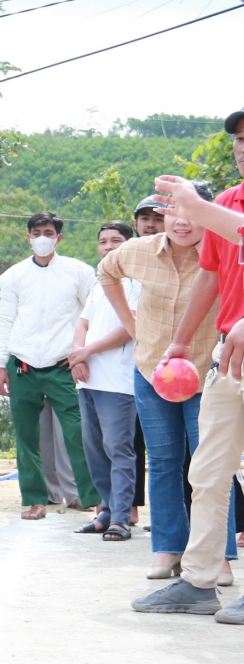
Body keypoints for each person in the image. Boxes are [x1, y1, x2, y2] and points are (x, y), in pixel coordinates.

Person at [131, 131, 244, 623]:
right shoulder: (226, 203)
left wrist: (197, 208)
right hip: (228, 357)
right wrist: (180, 340)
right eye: (239, 138)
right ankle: (198, 582)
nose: (242, 146)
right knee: (208, 471)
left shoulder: (213, 211)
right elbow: (211, 274)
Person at [100, 180, 234, 586]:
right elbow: (106, 272)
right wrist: (131, 324)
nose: (182, 222)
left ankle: (217, 555)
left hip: (207, 373)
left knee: (211, 464)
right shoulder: (139, 250)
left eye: (192, 212)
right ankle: (168, 546)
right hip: (152, 371)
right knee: (162, 461)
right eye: (174, 212)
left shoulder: (223, 247)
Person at [0, 211, 99, 520]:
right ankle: (35, 499)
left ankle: (89, 497)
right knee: (26, 436)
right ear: (28, 237)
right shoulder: (13, 276)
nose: (42, 238)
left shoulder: (79, 272)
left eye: (49, 233)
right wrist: (0, 364)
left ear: (59, 238)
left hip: (63, 366)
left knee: (78, 433)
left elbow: (92, 315)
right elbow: (6, 321)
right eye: (37, 233)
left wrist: (81, 353)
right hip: (22, 365)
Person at [69, 221, 139, 541]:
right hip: (89, 379)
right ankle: (107, 511)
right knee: (94, 450)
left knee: (118, 450)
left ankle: (121, 518)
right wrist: (78, 357)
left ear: (129, 245)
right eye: (103, 241)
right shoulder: (100, 283)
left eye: (116, 241)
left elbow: (129, 328)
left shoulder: (138, 282)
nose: (108, 246)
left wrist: (87, 351)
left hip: (118, 381)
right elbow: (82, 324)